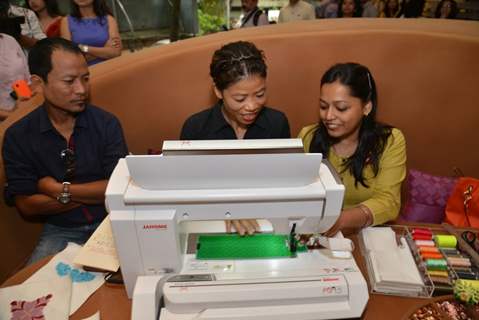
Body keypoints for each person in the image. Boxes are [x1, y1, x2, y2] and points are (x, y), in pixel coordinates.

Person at [2, 37, 128, 264]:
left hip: (111, 223)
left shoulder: (106, 124)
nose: (81, 90)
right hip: (61, 229)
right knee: (35, 294)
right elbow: (28, 206)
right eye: (69, 81)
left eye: (86, 78)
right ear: (39, 83)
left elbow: (119, 189)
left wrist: (55, 188)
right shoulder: (18, 136)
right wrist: (95, 193)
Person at [180, 41, 291, 235]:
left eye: (260, 94)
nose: (251, 106)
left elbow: (284, 183)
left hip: (266, 221)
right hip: (210, 223)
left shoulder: (277, 123)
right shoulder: (196, 128)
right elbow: (187, 190)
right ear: (217, 91)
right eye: (240, 99)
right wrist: (226, 209)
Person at [298, 63, 406, 236]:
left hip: (369, 235)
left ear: (366, 107)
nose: (329, 116)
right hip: (314, 234)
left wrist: (341, 220)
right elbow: (297, 192)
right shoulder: (308, 136)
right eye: (324, 106)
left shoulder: (389, 141)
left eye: (341, 108)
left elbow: (388, 202)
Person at [60, 0, 121, 66]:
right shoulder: (66, 21)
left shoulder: (109, 19)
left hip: (108, 68)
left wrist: (83, 48)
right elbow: (70, 58)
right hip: (83, 72)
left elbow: (115, 52)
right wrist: (104, 50)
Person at [0, 32, 30, 119]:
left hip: (23, 112)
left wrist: (25, 105)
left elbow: (22, 76)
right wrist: (12, 116)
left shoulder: (9, 40)